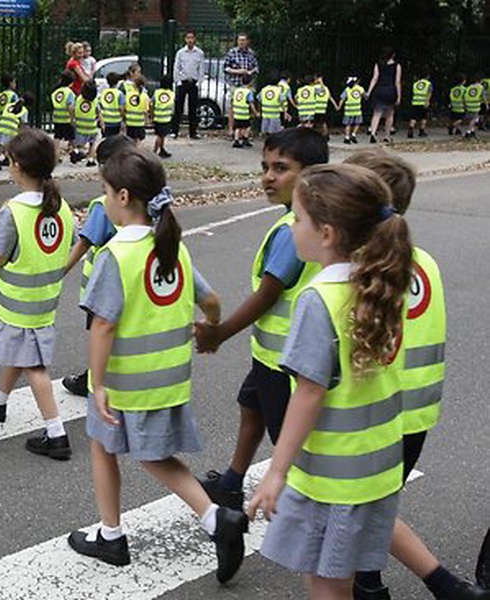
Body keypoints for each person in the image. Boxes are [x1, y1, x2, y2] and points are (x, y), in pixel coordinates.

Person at [67, 146, 248, 583]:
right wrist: (210, 332)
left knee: (104, 445)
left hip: (125, 380)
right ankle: (212, 520)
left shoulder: (117, 255)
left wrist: (98, 384)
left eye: (106, 192)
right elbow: (211, 301)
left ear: (124, 196)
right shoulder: (172, 248)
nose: (104, 200)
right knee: (153, 455)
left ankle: (112, 535)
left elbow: (103, 327)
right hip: (168, 377)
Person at [248, 163, 412, 600]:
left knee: (326, 584)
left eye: (298, 218)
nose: (293, 227)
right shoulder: (383, 284)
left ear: (325, 233)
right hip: (375, 467)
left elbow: (309, 390)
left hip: (333, 477)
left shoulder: (320, 299)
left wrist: (276, 472)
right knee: (338, 578)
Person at [343, 150, 489, 600]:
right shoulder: (423, 262)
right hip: (418, 415)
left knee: (354, 510)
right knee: (374, 506)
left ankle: (434, 585)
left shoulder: (356, 269)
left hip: (373, 417)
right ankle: (371, 581)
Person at [194, 128, 329, 511]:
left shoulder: (292, 232)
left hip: (284, 363)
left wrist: (219, 334)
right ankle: (233, 482)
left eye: (281, 168)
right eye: (265, 167)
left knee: (292, 447)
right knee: (250, 405)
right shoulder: (302, 221)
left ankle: (309, 521)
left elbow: (267, 295)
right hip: (272, 356)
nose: (268, 176)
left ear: (311, 175)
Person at [0, 129, 75, 459]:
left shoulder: (14, 211)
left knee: (35, 365)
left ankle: (56, 435)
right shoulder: (62, 206)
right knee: (24, 348)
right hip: (45, 298)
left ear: (17, 166)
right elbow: (69, 245)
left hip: (18, 300)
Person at [59, 134, 135, 397]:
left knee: (100, 336)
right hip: (132, 286)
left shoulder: (103, 207)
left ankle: (94, 380)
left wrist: (59, 272)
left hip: (100, 288)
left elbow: (83, 245)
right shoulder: (146, 201)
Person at [172, 31, 205, 139]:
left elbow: (201, 68)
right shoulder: (181, 53)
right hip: (183, 81)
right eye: (188, 38)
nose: (190, 40)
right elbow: (177, 67)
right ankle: (175, 131)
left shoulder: (199, 53)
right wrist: (178, 81)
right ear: (185, 39)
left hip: (193, 82)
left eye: (192, 38)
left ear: (195, 39)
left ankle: (193, 132)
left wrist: (199, 82)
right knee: (178, 107)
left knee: (193, 108)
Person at [224, 32, 259, 134]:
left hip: (248, 84)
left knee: (248, 106)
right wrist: (238, 71)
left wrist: (250, 72)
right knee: (233, 106)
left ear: (247, 41)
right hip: (235, 83)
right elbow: (226, 68)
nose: (241, 42)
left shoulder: (251, 53)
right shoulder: (231, 53)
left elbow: (256, 67)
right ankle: (231, 129)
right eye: (240, 40)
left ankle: (244, 131)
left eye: (243, 40)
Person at [367, 46, 402, 143]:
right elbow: (397, 81)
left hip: (379, 90)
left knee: (376, 113)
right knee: (390, 114)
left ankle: (373, 133)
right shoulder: (397, 66)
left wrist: (369, 91)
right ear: (393, 55)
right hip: (390, 90)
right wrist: (399, 95)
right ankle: (387, 135)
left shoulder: (378, 65)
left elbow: (374, 78)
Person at [0, 93, 29, 170]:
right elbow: (23, 124)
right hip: (11, 130)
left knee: (1, 147)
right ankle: (0, 159)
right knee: (9, 149)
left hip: (0, 127)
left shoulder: (9, 105)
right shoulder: (24, 110)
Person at [72, 81, 100, 165]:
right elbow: (99, 113)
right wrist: (101, 123)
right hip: (92, 127)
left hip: (80, 127)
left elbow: (73, 109)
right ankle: (90, 160)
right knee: (93, 144)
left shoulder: (78, 99)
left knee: (78, 144)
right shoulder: (95, 101)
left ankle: (76, 152)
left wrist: (73, 119)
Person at [50, 71, 77, 157]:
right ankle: (74, 153)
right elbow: (70, 106)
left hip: (57, 118)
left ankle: (55, 155)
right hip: (67, 119)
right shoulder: (69, 93)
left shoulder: (56, 92)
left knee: (57, 138)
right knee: (71, 138)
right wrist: (73, 117)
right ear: (72, 82)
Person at [336, 75, 367, 145]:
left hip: (348, 110)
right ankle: (353, 134)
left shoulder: (347, 89)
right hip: (357, 110)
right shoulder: (360, 89)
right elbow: (365, 96)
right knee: (357, 123)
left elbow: (342, 99)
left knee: (348, 124)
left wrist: (339, 107)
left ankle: (347, 137)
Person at [230, 73, 257, 148]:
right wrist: (255, 112)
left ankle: (236, 140)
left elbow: (233, 101)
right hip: (244, 113)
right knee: (247, 126)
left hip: (237, 112)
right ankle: (245, 138)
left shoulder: (237, 90)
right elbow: (251, 103)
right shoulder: (248, 92)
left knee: (237, 127)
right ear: (250, 82)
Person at [122, 74, 150, 145]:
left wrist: (124, 118)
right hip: (139, 123)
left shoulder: (128, 95)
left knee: (130, 141)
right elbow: (145, 111)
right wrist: (147, 121)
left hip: (129, 121)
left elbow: (124, 108)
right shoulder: (145, 96)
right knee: (138, 142)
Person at [153, 75, 174, 158]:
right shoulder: (171, 94)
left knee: (161, 135)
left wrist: (152, 113)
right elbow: (173, 105)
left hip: (158, 116)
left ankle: (162, 149)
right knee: (160, 136)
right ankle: (154, 152)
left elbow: (152, 102)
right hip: (166, 118)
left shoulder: (157, 92)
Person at [99, 73, 124, 139]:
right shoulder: (119, 94)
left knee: (105, 140)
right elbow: (121, 108)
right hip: (116, 122)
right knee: (114, 141)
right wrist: (123, 118)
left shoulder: (103, 93)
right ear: (117, 82)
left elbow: (100, 106)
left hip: (105, 121)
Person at [463, 72, 485, 138]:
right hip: (475, 105)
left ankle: (472, 131)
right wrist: (485, 103)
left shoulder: (469, 87)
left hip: (468, 104)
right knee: (474, 119)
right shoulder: (481, 87)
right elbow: (482, 96)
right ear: (480, 80)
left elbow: (465, 95)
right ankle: (468, 131)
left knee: (472, 118)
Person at [311, 73, 332, 138]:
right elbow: (329, 96)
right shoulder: (326, 88)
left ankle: (311, 136)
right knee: (323, 122)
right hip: (323, 108)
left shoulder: (313, 87)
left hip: (315, 108)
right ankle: (326, 135)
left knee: (312, 123)